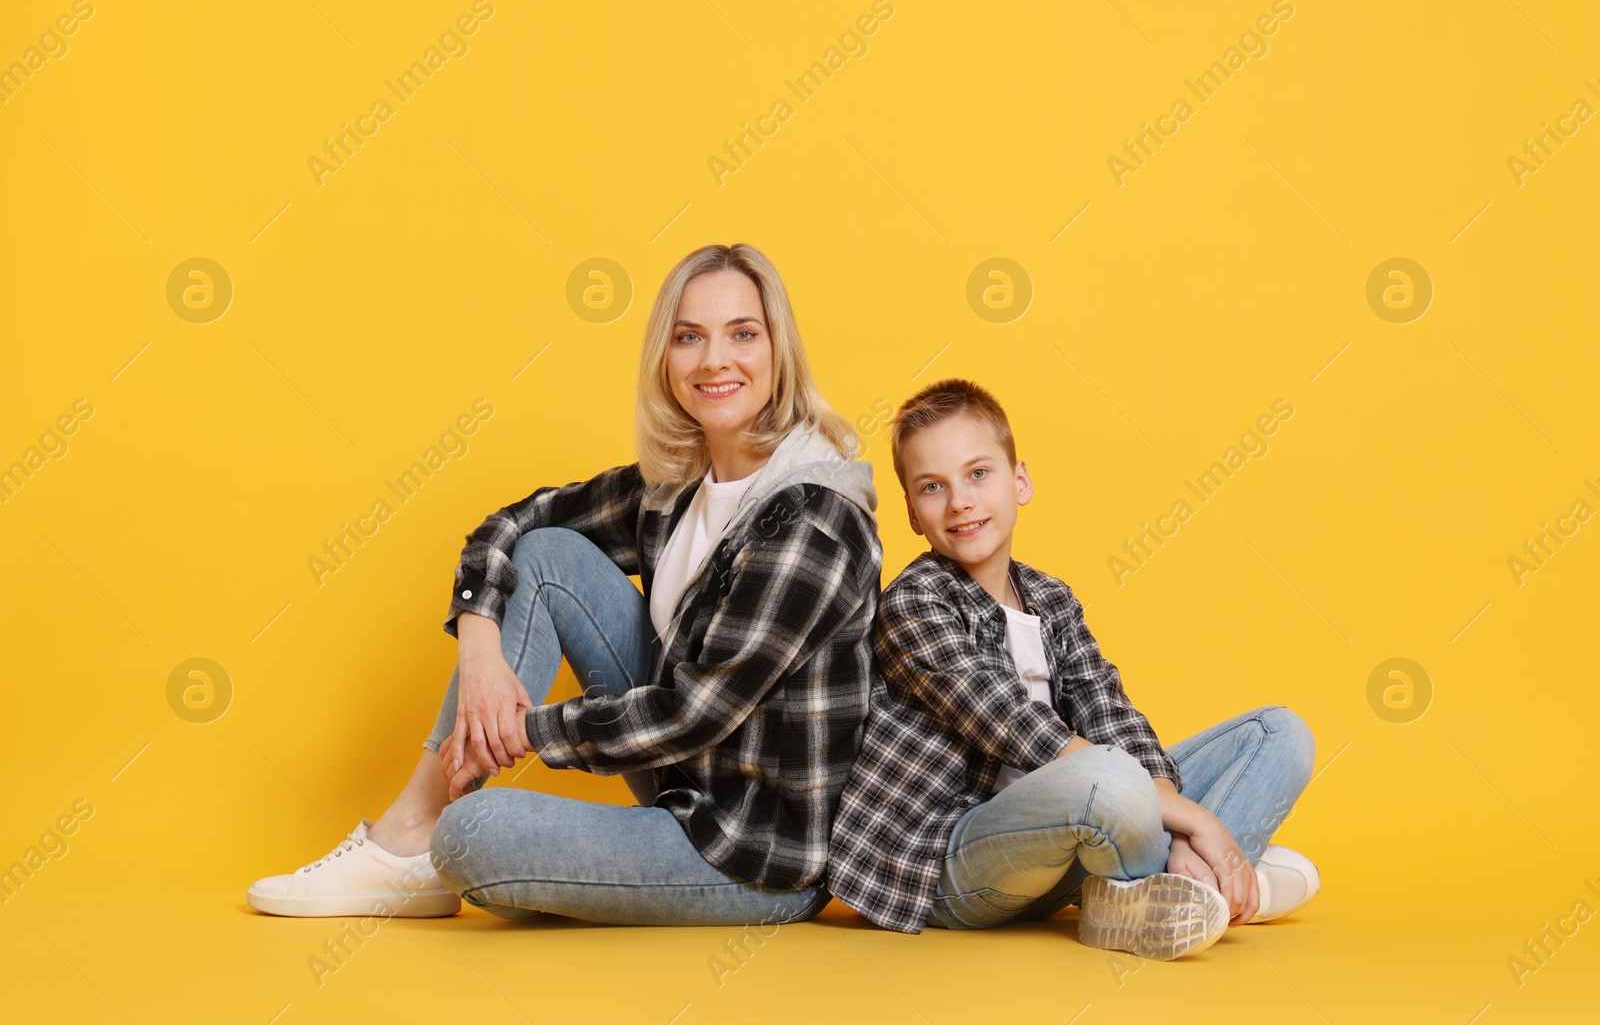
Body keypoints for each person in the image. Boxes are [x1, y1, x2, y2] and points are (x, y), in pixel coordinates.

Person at [247, 243, 883, 925]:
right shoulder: (677, 487)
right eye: (688, 337)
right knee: (549, 552)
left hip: (753, 851)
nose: (714, 360)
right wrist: (479, 647)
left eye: (743, 334)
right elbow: (515, 525)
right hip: (684, 783)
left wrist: (523, 729)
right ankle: (405, 833)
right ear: (665, 360)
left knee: (471, 834)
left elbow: (695, 714)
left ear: (779, 352)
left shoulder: (813, 517)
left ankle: (419, 841)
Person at [827, 378, 1319, 959]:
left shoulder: (1051, 598)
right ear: (911, 512)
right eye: (932, 487)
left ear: (1020, 481)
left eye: (978, 473)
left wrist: (1172, 817)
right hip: (946, 860)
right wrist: (1203, 826)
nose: (959, 501)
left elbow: (1112, 716)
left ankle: (1163, 889)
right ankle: (1232, 883)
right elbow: (1013, 724)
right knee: (1106, 778)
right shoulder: (915, 602)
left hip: (1063, 844)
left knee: (1279, 734)